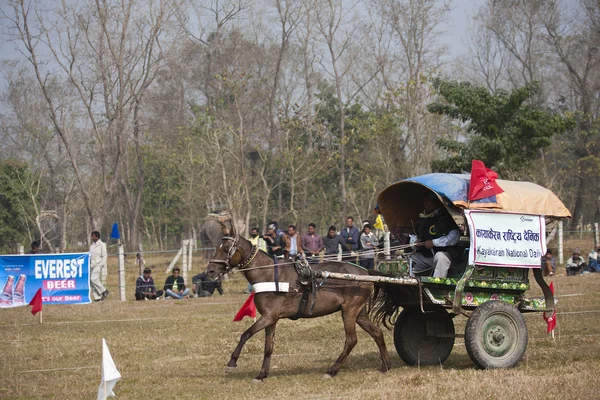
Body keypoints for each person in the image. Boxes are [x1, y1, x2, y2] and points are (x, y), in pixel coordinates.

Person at [411, 193, 460, 278]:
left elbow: (455, 236)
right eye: (424, 202)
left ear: (436, 203)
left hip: (443, 254)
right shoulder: (421, 218)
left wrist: (434, 243)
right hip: (424, 256)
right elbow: (413, 236)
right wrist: (415, 244)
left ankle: (437, 285)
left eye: (428, 202)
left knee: (441, 257)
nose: (425, 204)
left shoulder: (446, 218)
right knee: (408, 260)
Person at [90, 231, 110, 301]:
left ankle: (104, 291)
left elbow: (104, 256)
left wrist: (101, 264)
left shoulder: (102, 245)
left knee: (93, 279)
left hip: (98, 265)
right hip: (91, 265)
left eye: (93, 236)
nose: (92, 238)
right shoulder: (92, 246)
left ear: (97, 237)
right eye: (92, 236)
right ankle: (97, 297)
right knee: (91, 281)